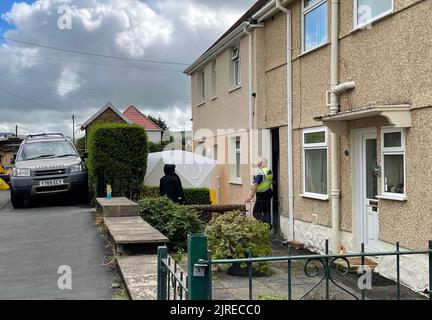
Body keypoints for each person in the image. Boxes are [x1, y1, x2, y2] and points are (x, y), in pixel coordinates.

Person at [246, 157, 273, 227]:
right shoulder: (269, 171)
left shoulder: (261, 173)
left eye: (258, 162)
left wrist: (251, 196)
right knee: (266, 212)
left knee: (256, 213)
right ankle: (268, 226)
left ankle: (266, 225)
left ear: (261, 163)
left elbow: (255, 185)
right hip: (268, 193)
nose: (257, 164)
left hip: (262, 195)